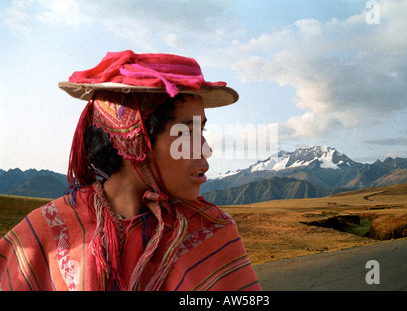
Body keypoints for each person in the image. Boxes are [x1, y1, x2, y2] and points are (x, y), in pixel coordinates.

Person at [0, 50, 261, 291]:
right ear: (133, 139)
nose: (204, 150)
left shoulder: (212, 231)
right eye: (186, 133)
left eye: (201, 131)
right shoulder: (45, 232)